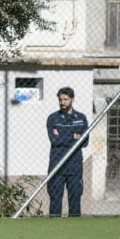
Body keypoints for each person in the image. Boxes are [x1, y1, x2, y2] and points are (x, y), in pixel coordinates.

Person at [46, 86, 89, 217]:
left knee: (75, 198)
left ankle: (75, 229)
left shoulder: (81, 118)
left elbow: (85, 142)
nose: (62, 102)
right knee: (55, 199)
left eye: (65, 99)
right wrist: (74, 136)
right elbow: (55, 140)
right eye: (60, 100)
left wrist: (63, 135)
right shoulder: (53, 118)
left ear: (72, 99)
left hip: (75, 165)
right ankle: (53, 228)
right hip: (57, 164)